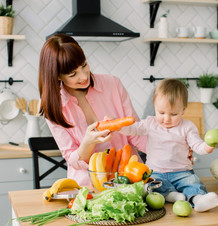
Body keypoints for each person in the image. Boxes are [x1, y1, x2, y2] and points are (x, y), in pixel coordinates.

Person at [38, 34, 147, 187]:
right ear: (57, 76)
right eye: (72, 74)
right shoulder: (53, 108)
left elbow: (138, 134)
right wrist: (88, 143)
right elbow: (71, 158)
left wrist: (172, 149)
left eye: (84, 65)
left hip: (129, 179)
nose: (83, 76)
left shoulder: (112, 84)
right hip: (88, 187)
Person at [120, 78, 218, 212]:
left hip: (182, 172)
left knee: (192, 183)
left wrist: (209, 146)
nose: (167, 119)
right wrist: (118, 126)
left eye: (173, 114)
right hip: (156, 172)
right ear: (154, 106)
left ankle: (199, 200)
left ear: (183, 110)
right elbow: (133, 129)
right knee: (152, 186)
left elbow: (198, 146)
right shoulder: (150, 123)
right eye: (161, 113)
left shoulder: (187, 127)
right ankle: (172, 196)